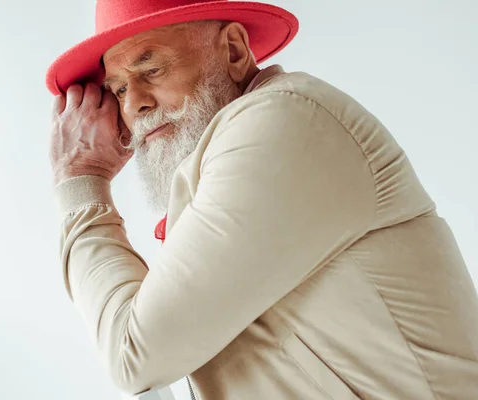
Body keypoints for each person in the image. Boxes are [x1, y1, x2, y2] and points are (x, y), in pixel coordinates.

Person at [47, 1, 478, 399]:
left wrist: (82, 181)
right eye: (118, 90)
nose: (135, 104)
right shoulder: (236, 154)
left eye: (153, 69)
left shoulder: (283, 122)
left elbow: (133, 355)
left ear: (234, 51)